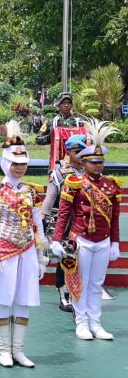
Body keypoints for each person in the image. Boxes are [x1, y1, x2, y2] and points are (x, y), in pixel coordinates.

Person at [0, 122, 46, 367]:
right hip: (3, 253)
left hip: (26, 251)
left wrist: (40, 254)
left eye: (23, 164)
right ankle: (4, 350)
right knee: (2, 300)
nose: (19, 168)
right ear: (6, 163)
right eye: (15, 164)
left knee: (23, 300)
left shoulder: (32, 192)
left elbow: (37, 225)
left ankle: (19, 350)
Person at [51, 121, 120, 341]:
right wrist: (56, 240)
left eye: (100, 162)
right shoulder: (74, 183)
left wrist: (116, 242)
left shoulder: (112, 185)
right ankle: (81, 322)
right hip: (81, 239)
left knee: (97, 283)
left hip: (103, 240)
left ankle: (95, 322)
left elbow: (115, 218)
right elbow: (63, 214)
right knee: (79, 282)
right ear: (84, 162)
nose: (98, 166)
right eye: (93, 162)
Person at [42, 133, 88, 312]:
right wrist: (43, 218)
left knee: (83, 259)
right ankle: (63, 294)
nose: (82, 155)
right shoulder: (60, 173)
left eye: (84, 150)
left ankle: (79, 292)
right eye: (78, 151)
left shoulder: (89, 170)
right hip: (67, 220)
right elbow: (50, 197)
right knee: (66, 258)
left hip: (86, 221)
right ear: (69, 152)